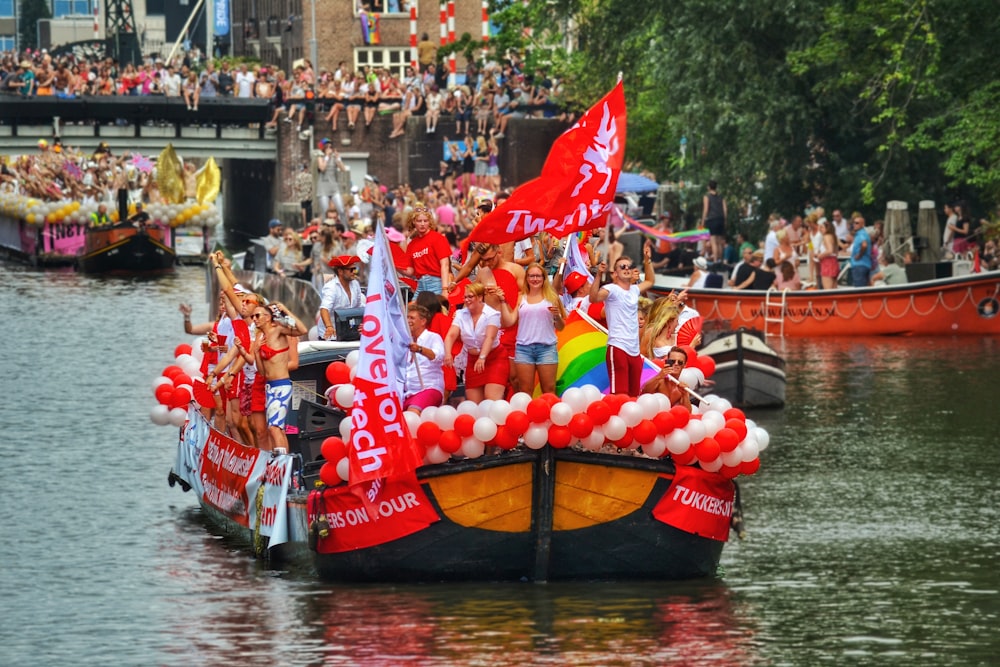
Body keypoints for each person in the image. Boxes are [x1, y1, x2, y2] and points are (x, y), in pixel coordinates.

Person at [589, 246, 655, 397]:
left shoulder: (634, 290)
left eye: (629, 267)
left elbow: (650, 280)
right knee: (620, 394)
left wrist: (647, 260)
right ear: (616, 273)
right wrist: (598, 275)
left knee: (634, 394)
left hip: (634, 349)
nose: (626, 269)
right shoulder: (611, 289)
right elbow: (593, 298)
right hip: (618, 346)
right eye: (622, 267)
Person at [495, 264, 566, 395]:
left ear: (544, 278)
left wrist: (556, 316)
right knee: (525, 391)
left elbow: (561, 327)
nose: (535, 279)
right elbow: (510, 320)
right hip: (524, 349)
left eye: (538, 276)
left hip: (547, 348)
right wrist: (503, 302)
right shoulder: (520, 297)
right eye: (531, 276)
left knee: (549, 390)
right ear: (527, 278)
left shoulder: (552, 297)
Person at [251, 302, 308, 454]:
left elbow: (303, 329)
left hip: (281, 385)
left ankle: (282, 465)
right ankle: (283, 464)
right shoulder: (260, 337)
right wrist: (256, 352)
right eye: (252, 316)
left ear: (268, 317)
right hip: (269, 386)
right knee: (277, 429)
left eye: (257, 315)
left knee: (274, 427)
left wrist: (286, 310)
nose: (254, 319)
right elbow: (262, 372)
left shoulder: (279, 330)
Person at [443, 282, 507, 403]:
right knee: (474, 403)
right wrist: (447, 354)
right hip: (472, 359)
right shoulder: (461, 314)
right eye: (465, 297)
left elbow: (490, 337)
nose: (467, 300)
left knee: (491, 399)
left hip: (494, 358)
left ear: (480, 297)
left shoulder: (492, 314)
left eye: (470, 297)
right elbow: (451, 335)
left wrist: (482, 357)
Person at [403, 303, 446, 414]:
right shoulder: (405, 340)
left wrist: (420, 349)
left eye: (412, 318)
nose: (408, 320)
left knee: (412, 413)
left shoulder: (433, 337)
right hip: (408, 393)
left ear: (423, 321)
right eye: (407, 317)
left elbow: (438, 356)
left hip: (428, 388)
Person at [402, 206, 452, 296]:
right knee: (413, 309)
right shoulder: (412, 244)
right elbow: (410, 271)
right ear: (414, 222)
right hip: (420, 284)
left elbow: (445, 265)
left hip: (436, 283)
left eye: (425, 221)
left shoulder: (438, 238)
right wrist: (393, 263)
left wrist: (444, 289)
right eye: (419, 221)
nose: (422, 224)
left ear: (430, 222)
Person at [318, 255, 364, 340]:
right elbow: (324, 309)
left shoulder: (355, 284)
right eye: (351, 269)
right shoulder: (331, 287)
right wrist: (329, 327)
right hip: (331, 336)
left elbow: (358, 307)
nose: (354, 272)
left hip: (349, 333)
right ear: (340, 271)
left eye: (355, 269)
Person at [640, 346, 692, 411]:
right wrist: (658, 377)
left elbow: (687, 412)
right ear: (667, 361)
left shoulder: (682, 388)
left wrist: (684, 395)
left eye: (680, 362)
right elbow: (644, 393)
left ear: (685, 365)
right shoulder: (659, 380)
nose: (676, 364)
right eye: (673, 361)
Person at [315, 140, 346, 219]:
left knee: (341, 209)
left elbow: (343, 169)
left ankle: (345, 228)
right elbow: (322, 168)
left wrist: (338, 158)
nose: (329, 149)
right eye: (327, 147)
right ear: (324, 149)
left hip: (334, 187)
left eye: (331, 147)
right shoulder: (320, 158)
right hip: (323, 188)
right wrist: (327, 157)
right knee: (325, 211)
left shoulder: (334, 158)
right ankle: (326, 228)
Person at [701, 179, 727, 262]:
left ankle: (715, 260)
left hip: (712, 219)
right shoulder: (721, 197)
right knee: (719, 241)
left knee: (714, 241)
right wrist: (724, 220)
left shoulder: (707, 196)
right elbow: (725, 209)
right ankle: (720, 259)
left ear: (709, 187)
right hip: (720, 219)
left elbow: (706, 209)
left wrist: (703, 221)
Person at [815, 218, 840, 289]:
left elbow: (830, 250)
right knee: (834, 288)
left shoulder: (826, 236)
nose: (820, 229)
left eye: (822, 227)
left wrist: (820, 256)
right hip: (834, 262)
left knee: (827, 289)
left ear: (827, 228)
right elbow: (835, 252)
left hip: (827, 263)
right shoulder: (833, 237)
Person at [849, 213, 872, 287]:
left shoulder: (861, 234)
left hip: (859, 265)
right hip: (865, 264)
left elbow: (864, 245)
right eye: (854, 223)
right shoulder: (862, 233)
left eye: (857, 223)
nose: (854, 225)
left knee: (859, 290)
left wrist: (859, 255)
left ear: (862, 224)